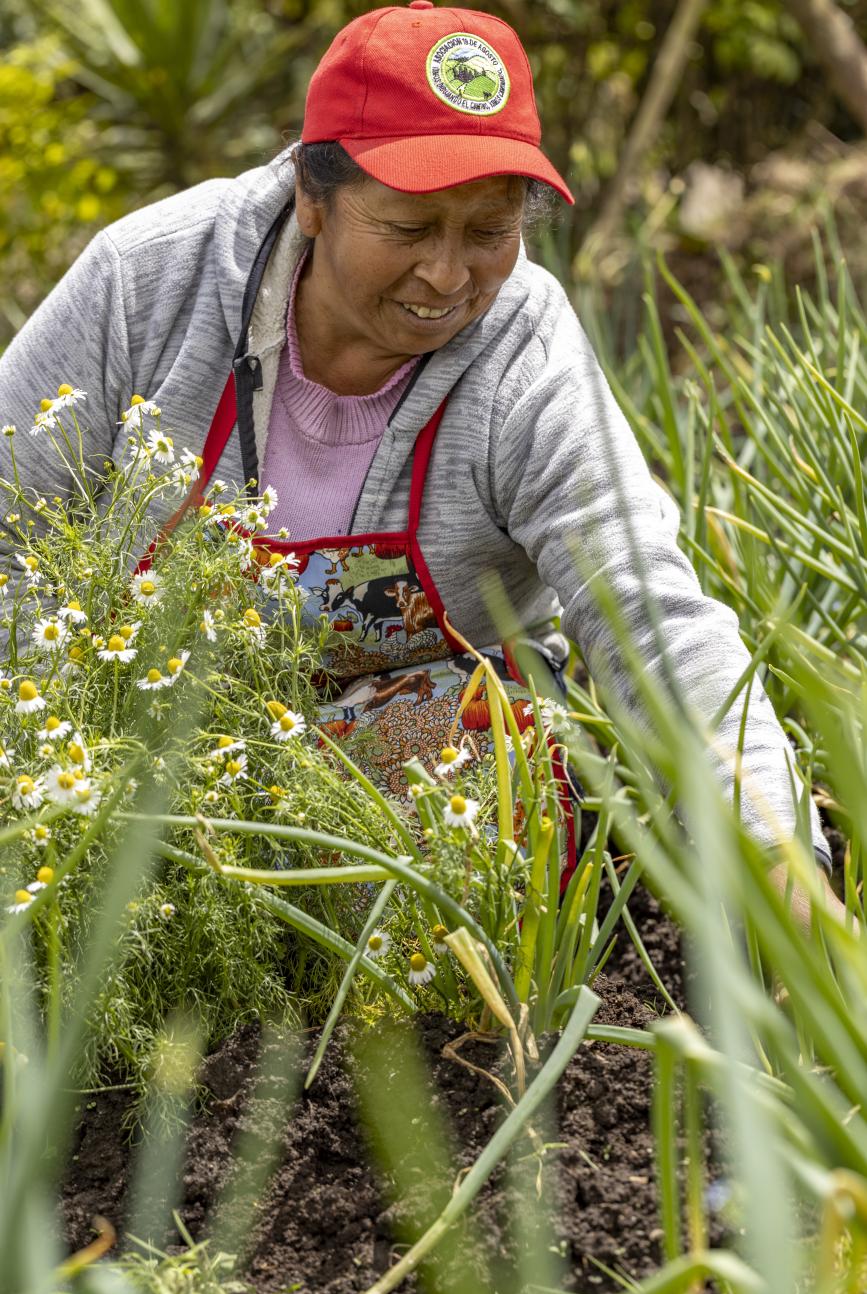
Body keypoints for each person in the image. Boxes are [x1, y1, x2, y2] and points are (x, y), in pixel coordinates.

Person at [0, 3, 841, 915]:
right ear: (310, 199)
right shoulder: (151, 280)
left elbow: (647, 614)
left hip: (433, 758)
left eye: (487, 233)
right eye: (407, 229)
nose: (447, 277)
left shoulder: (523, 347)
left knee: (461, 808)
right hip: (149, 737)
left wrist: (778, 861)